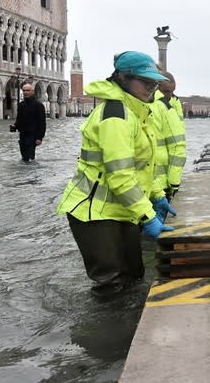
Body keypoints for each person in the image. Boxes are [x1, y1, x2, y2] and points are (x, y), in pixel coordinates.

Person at [56, 51, 176, 298]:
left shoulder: (138, 112)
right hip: (94, 214)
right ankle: (105, 335)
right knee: (111, 284)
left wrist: (156, 194)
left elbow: (144, 165)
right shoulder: (116, 116)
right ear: (123, 78)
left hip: (121, 210)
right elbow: (121, 176)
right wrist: (147, 216)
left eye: (154, 83)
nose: (152, 88)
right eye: (145, 82)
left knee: (134, 275)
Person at [154, 70, 187, 203]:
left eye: (172, 91)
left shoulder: (171, 104)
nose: (170, 95)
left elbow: (177, 144)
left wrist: (173, 182)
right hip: (155, 182)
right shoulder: (163, 107)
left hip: (158, 182)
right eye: (167, 91)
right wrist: (174, 183)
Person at [10, 83, 46, 162]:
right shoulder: (21, 105)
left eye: (28, 90)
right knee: (24, 156)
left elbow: (42, 122)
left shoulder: (38, 105)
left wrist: (40, 138)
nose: (25, 92)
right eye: (24, 90)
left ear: (32, 92)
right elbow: (19, 119)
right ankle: (24, 172)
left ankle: (31, 172)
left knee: (29, 157)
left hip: (32, 135)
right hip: (22, 134)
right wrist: (14, 126)